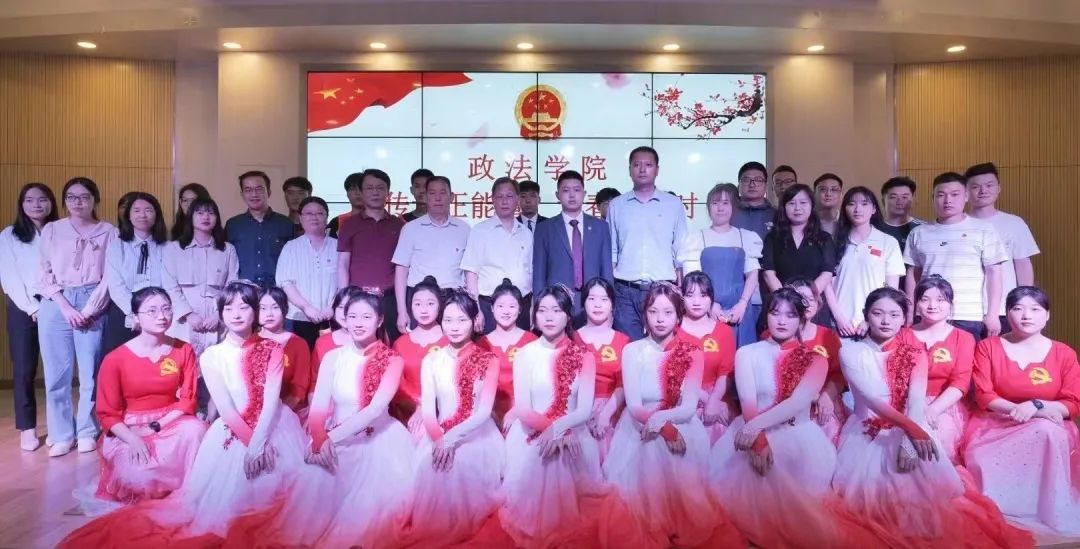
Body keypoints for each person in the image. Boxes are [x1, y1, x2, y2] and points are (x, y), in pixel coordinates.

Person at [58, 281, 308, 547]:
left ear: (255, 311)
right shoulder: (209, 356)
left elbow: (267, 401)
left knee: (285, 492)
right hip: (216, 428)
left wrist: (259, 443)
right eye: (229, 308)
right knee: (216, 497)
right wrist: (252, 445)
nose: (236, 314)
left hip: (263, 425)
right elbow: (225, 409)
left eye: (244, 307)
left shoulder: (269, 349)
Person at [834, 287, 1031, 547]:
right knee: (869, 503)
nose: (885, 321)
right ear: (865, 314)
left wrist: (909, 440)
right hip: (866, 431)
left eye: (894, 315)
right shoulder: (849, 351)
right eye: (877, 313)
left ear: (904, 318)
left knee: (923, 501)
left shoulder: (915, 353)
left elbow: (916, 401)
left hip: (909, 425)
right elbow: (872, 399)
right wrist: (913, 430)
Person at [227, 290, 414, 547]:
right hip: (331, 435)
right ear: (344, 319)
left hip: (378, 441)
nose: (358, 323)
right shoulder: (333, 357)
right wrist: (318, 437)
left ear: (380, 320)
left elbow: (373, 410)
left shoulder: (392, 360)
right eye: (352, 316)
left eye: (366, 317)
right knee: (312, 489)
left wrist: (329, 439)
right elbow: (319, 406)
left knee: (371, 510)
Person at [710, 288, 879, 548]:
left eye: (790, 315)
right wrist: (758, 440)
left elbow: (798, 402)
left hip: (797, 438)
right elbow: (748, 400)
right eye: (775, 313)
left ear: (801, 320)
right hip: (753, 434)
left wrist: (754, 427)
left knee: (802, 522)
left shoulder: (815, 359)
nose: (781, 321)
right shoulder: (747, 353)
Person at [601, 283, 744, 548]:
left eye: (667, 313)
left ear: (678, 316)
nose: (660, 319)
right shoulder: (632, 351)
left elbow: (688, 406)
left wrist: (665, 423)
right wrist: (662, 427)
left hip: (681, 421)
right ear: (645, 315)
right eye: (653, 312)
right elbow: (634, 404)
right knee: (651, 447)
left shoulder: (693, 353)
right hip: (639, 423)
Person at [78, 287, 207, 514]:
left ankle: (188, 491)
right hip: (129, 428)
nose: (161, 316)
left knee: (196, 429)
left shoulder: (183, 349)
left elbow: (188, 400)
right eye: (152, 311)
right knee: (141, 479)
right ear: (136, 317)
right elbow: (107, 413)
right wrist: (133, 439)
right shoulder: (115, 359)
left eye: (166, 309)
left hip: (170, 422)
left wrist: (156, 426)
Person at [963, 286, 1080, 537]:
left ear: (1047, 315)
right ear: (1007, 313)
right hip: (996, 422)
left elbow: (1073, 402)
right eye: (1018, 309)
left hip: (1048, 422)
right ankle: (1007, 509)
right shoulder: (988, 347)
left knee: (1048, 431)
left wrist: (1036, 406)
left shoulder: (1064, 353)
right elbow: (984, 395)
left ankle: (1047, 506)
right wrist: (1020, 409)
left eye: (1035, 309)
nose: (1026, 316)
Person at [397, 289, 508, 547]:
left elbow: (483, 411)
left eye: (461, 320)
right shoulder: (432, 359)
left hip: (476, 434)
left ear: (474, 321)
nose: (454, 327)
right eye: (448, 320)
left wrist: (452, 439)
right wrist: (439, 438)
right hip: (438, 431)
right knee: (430, 467)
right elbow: (428, 409)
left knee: (460, 466)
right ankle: (433, 527)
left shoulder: (488, 360)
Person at [500, 285, 607, 548]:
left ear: (568, 316)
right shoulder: (525, 354)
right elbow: (523, 408)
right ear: (534, 315)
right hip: (531, 432)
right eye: (543, 311)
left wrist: (562, 429)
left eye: (556, 311)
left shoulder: (584, 356)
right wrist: (555, 430)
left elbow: (583, 409)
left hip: (574, 432)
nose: (549, 317)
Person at [38, 177, 118, 457]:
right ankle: (61, 434)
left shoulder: (109, 231)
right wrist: (65, 305)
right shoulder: (52, 229)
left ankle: (86, 430)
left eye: (84, 196)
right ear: (64, 201)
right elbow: (43, 270)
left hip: (92, 301)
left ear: (95, 199)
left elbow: (110, 276)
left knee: (90, 372)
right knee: (57, 373)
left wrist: (89, 309)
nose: (78, 202)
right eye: (71, 197)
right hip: (56, 301)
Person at [904, 172, 1008, 341]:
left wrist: (993, 314)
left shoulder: (984, 230)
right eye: (941, 195)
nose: (948, 200)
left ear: (966, 196)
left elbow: (994, 273)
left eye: (954, 194)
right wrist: (911, 311)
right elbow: (913, 274)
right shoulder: (918, 233)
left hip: (969, 315)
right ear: (933, 198)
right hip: (927, 313)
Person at [608, 147, 688, 340]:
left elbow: (681, 250)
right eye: (637, 165)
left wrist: (681, 289)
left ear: (657, 170)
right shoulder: (617, 205)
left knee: (662, 347)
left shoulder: (673, 204)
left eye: (648, 165)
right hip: (625, 292)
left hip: (663, 289)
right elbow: (612, 251)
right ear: (629, 170)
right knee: (628, 347)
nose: (642, 169)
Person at [1, 182, 58, 451]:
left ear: (51, 203)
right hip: (23, 308)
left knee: (57, 369)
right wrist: (31, 307)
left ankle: (59, 427)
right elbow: (9, 277)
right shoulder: (9, 235)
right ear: (21, 205)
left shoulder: (60, 231)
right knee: (24, 369)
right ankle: (27, 427)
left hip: (57, 303)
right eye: (30, 200)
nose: (36, 205)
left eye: (42, 199)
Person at [678, 182, 763, 347]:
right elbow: (692, 279)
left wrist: (743, 303)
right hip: (706, 306)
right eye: (715, 203)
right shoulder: (696, 238)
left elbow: (752, 274)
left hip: (740, 307)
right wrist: (710, 304)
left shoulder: (745, 237)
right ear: (709, 207)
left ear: (733, 207)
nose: (720, 208)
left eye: (725, 203)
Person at [763, 280, 845, 444]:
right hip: (783, 404)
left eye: (810, 299)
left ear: (818, 304)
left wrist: (827, 396)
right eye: (800, 298)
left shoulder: (828, 336)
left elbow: (838, 375)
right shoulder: (770, 335)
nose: (805, 303)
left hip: (822, 404)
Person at [905, 276, 975, 462]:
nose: (932, 305)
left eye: (940, 300)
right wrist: (916, 408)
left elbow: (961, 381)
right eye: (925, 299)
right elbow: (895, 377)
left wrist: (933, 410)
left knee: (938, 437)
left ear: (950, 304)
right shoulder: (903, 335)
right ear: (916, 303)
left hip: (944, 404)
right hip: (907, 402)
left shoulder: (964, 338)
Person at [965, 162, 1040, 333]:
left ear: (999, 188)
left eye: (989, 185)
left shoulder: (1014, 223)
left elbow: (1023, 264)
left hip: (1004, 307)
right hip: (966, 309)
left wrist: (1025, 300)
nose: (983, 191)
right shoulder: (957, 224)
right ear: (966, 192)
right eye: (975, 187)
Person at [392, 175, 471, 335]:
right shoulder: (410, 229)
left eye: (442, 193)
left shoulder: (464, 229)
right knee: (421, 343)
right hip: (420, 298)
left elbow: (470, 271)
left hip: (453, 298)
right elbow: (401, 271)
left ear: (452, 197)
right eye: (432, 193)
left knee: (453, 343)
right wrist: (402, 311)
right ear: (426, 197)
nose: (438, 198)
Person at [533, 170, 613, 325]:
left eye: (576, 190)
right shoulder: (544, 228)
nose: (571, 195)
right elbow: (539, 273)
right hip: (557, 303)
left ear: (584, 194)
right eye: (565, 190)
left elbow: (607, 271)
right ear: (557, 195)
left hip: (593, 302)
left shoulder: (600, 227)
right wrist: (539, 308)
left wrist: (609, 307)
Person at [162, 197, 239, 358]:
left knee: (215, 367)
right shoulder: (174, 249)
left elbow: (232, 286)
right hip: (183, 324)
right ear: (190, 217)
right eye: (200, 213)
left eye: (211, 213)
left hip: (217, 322)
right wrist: (188, 314)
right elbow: (170, 286)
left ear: (217, 218)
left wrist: (219, 314)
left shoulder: (228, 250)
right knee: (182, 365)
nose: (206, 217)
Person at [825, 186, 904, 338]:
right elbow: (827, 283)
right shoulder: (833, 242)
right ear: (844, 209)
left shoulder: (888, 242)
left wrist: (869, 319)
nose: (857, 209)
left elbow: (891, 290)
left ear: (874, 209)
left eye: (864, 203)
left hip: (874, 324)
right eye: (851, 204)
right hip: (838, 323)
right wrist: (838, 317)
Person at [336, 169, 405, 341]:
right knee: (360, 346)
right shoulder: (349, 224)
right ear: (361, 192)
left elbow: (403, 267)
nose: (375, 192)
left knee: (393, 345)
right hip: (358, 298)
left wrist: (402, 307)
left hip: (390, 299)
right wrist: (343, 299)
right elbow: (343, 264)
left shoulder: (399, 225)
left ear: (388, 192)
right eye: (369, 188)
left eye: (380, 188)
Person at [462, 177, 533, 332]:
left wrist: (533, 308)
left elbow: (531, 272)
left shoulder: (526, 233)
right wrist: (476, 309)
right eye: (500, 196)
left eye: (509, 196)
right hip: (489, 307)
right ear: (493, 200)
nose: (504, 201)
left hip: (522, 306)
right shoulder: (480, 231)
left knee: (522, 347)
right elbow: (471, 273)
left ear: (517, 199)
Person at [762, 184, 837, 327]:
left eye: (803, 203)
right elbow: (768, 274)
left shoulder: (824, 238)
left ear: (811, 206)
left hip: (814, 308)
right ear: (784, 207)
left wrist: (807, 298)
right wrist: (787, 300)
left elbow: (827, 273)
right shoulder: (773, 238)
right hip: (781, 307)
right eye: (792, 203)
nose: (797, 208)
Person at [104, 192, 168, 356]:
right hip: (124, 310)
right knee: (121, 360)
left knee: (156, 360)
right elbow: (116, 286)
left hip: (159, 310)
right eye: (137, 210)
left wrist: (153, 311)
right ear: (128, 216)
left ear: (156, 215)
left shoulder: (168, 247)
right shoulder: (117, 246)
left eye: (148, 210)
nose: (142, 215)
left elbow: (170, 282)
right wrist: (136, 313)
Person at [573, 278, 630, 462]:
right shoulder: (572, 339)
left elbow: (624, 384)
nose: (597, 305)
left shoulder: (624, 342)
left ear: (612, 304)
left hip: (613, 412)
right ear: (583, 303)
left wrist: (605, 414)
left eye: (604, 299)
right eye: (592, 299)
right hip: (578, 411)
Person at [677, 272, 737, 442]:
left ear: (711, 298)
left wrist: (715, 400)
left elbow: (726, 373)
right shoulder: (674, 330)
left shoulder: (724, 331)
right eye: (690, 295)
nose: (697, 302)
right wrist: (707, 401)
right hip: (682, 397)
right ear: (682, 298)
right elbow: (673, 374)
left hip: (718, 395)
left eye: (703, 295)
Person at [277, 196, 338, 349]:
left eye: (319, 213)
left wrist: (332, 307)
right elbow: (286, 283)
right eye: (309, 213)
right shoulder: (291, 247)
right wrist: (306, 307)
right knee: (299, 359)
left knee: (329, 359)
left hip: (332, 317)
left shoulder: (338, 246)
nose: (314, 217)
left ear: (327, 217)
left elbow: (343, 282)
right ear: (300, 218)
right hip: (297, 318)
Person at [476, 279, 537, 428]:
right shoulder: (481, 344)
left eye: (512, 306)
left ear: (520, 309)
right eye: (500, 306)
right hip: (487, 414)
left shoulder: (531, 341)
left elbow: (538, 384)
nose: (506, 311)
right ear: (492, 308)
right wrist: (486, 414)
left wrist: (518, 411)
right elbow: (476, 388)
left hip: (523, 412)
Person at [390, 276, 447, 429]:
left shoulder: (449, 340)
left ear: (439, 306)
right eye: (417, 304)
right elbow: (398, 383)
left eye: (430, 303)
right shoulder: (400, 343)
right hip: (408, 410)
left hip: (443, 409)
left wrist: (427, 406)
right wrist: (417, 405)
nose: (423, 309)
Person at [225, 170, 295, 288]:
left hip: (277, 291)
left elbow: (294, 262)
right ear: (242, 194)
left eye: (259, 189)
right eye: (248, 190)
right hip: (243, 292)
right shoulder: (233, 225)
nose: (254, 194)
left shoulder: (286, 224)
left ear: (269, 192)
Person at [258, 286, 313, 413]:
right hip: (254, 412)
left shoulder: (298, 344)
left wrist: (276, 413)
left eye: (275, 307)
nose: (269, 314)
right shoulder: (250, 342)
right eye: (263, 308)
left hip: (287, 411)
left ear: (285, 310)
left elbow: (299, 387)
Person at [309, 286, 366, 400]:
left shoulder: (369, 341)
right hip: (325, 403)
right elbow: (314, 382)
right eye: (341, 307)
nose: (345, 313)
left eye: (350, 307)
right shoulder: (322, 342)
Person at [327, 171, 366, 238]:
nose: (358, 193)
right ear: (347, 194)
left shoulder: (381, 221)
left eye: (361, 188)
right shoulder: (337, 222)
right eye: (353, 189)